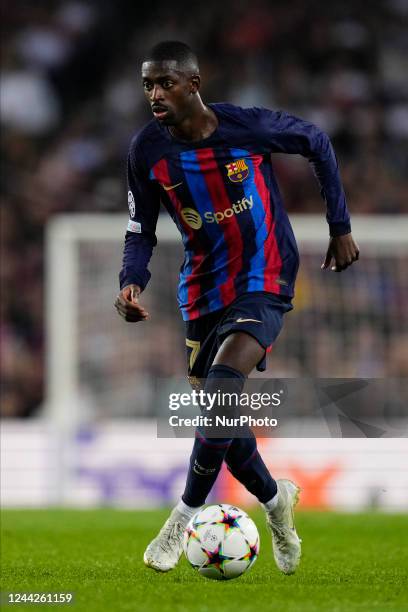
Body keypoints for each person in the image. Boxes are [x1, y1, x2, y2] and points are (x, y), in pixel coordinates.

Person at [114, 41, 359, 576]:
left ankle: (182, 516)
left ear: (194, 83)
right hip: (202, 288)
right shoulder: (146, 151)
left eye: (165, 83)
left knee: (225, 384)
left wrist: (339, 226)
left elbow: (316, 141)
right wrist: (131, 281)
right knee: (220, 417)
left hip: (265, 277)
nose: (155, 94)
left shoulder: (247, 126)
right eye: (148, 85)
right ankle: (277, 505)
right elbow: (141, 229)